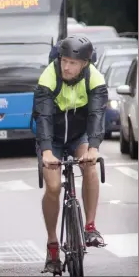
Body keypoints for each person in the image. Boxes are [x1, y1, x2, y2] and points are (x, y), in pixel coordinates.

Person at [32, 35, 108, 274]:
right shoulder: (49, 76)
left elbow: (97, 114)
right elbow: (43, 117)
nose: (66, 66)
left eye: (73, 63)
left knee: (90, 166)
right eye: (64, 60)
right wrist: (46, 151)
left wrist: (93, 148)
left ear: (85, 63)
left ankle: (90, 226)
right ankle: (53, 244)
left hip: (79, 135)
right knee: (53, 187)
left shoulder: (94, 78)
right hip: (51, 138)